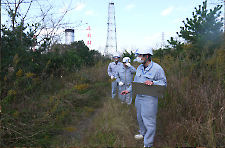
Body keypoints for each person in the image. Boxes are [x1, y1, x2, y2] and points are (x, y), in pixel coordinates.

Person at [121, 47, 167, 147]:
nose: (138, 58)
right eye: (138, 55)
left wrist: (153, 82)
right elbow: (136, 82)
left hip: (150, 99)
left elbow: (164, 83)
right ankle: (142, 133)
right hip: (139, 97)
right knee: (140, 117)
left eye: (140, 56)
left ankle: (148, 143)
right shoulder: (139, 68)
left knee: (149, 121)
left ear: (146, 56)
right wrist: (128, 90)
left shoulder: (157, 68)